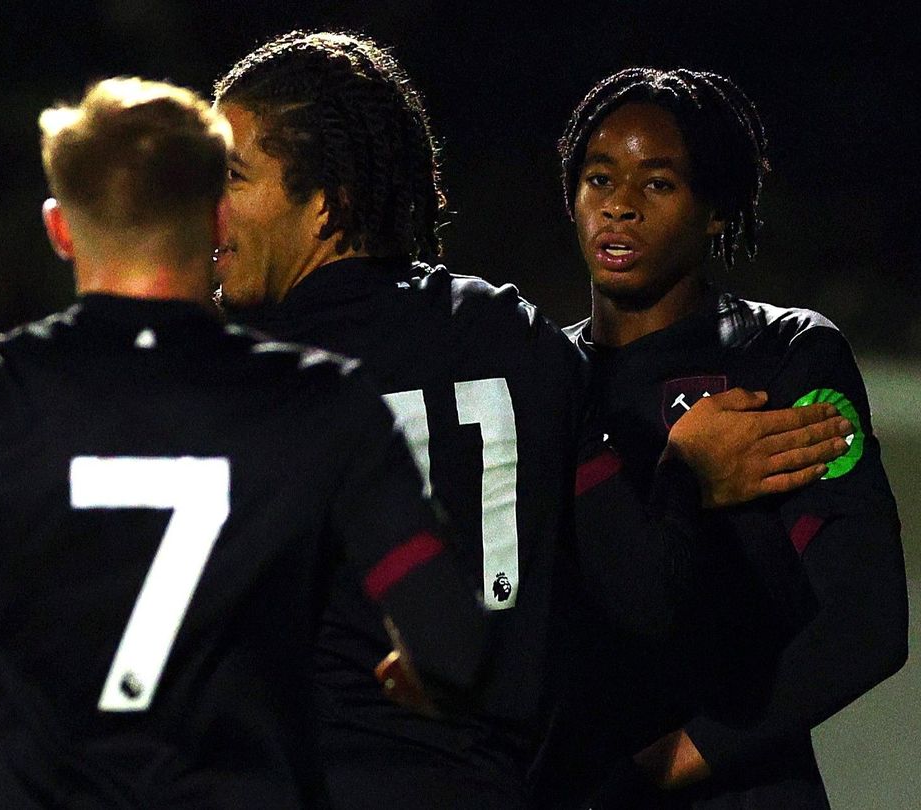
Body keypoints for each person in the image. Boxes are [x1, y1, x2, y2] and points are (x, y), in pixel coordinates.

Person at [0, 76, 487, 809]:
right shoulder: (325, 400)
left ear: (60, 228)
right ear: (220, 220)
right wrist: (429, 674)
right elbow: (458, 651)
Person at [210, 32, 855, 809]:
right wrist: (682, 479)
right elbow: (640, 604)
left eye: (231, 177)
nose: (203, 206)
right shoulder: (517, 339)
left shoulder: (225, 374)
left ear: (329, 205)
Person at [538, 67, 908, 808]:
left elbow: (867, 625)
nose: (619, 206)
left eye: (658, 184)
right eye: (599, 177)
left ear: (716, 210)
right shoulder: (540, 376)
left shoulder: (781, 356)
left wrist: (666, 766)